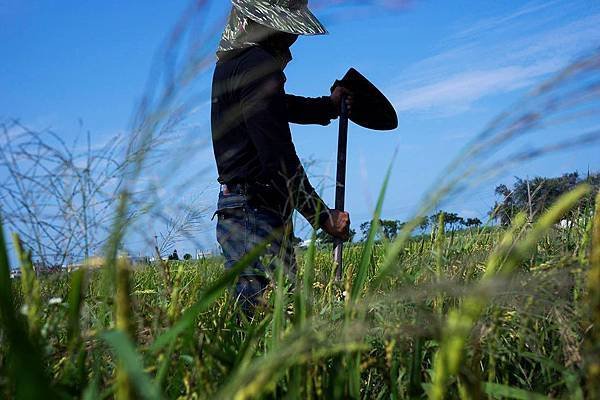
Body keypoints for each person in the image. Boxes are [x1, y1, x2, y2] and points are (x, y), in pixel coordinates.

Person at [211, 0, 351, 312]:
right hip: (254, 213)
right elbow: (279, 160)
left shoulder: (233, 65)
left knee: (278, 317)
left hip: (248, 209)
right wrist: (322, 217)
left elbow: (278, 107)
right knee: (265, 324)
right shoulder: (258, 69)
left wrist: (327, 106)